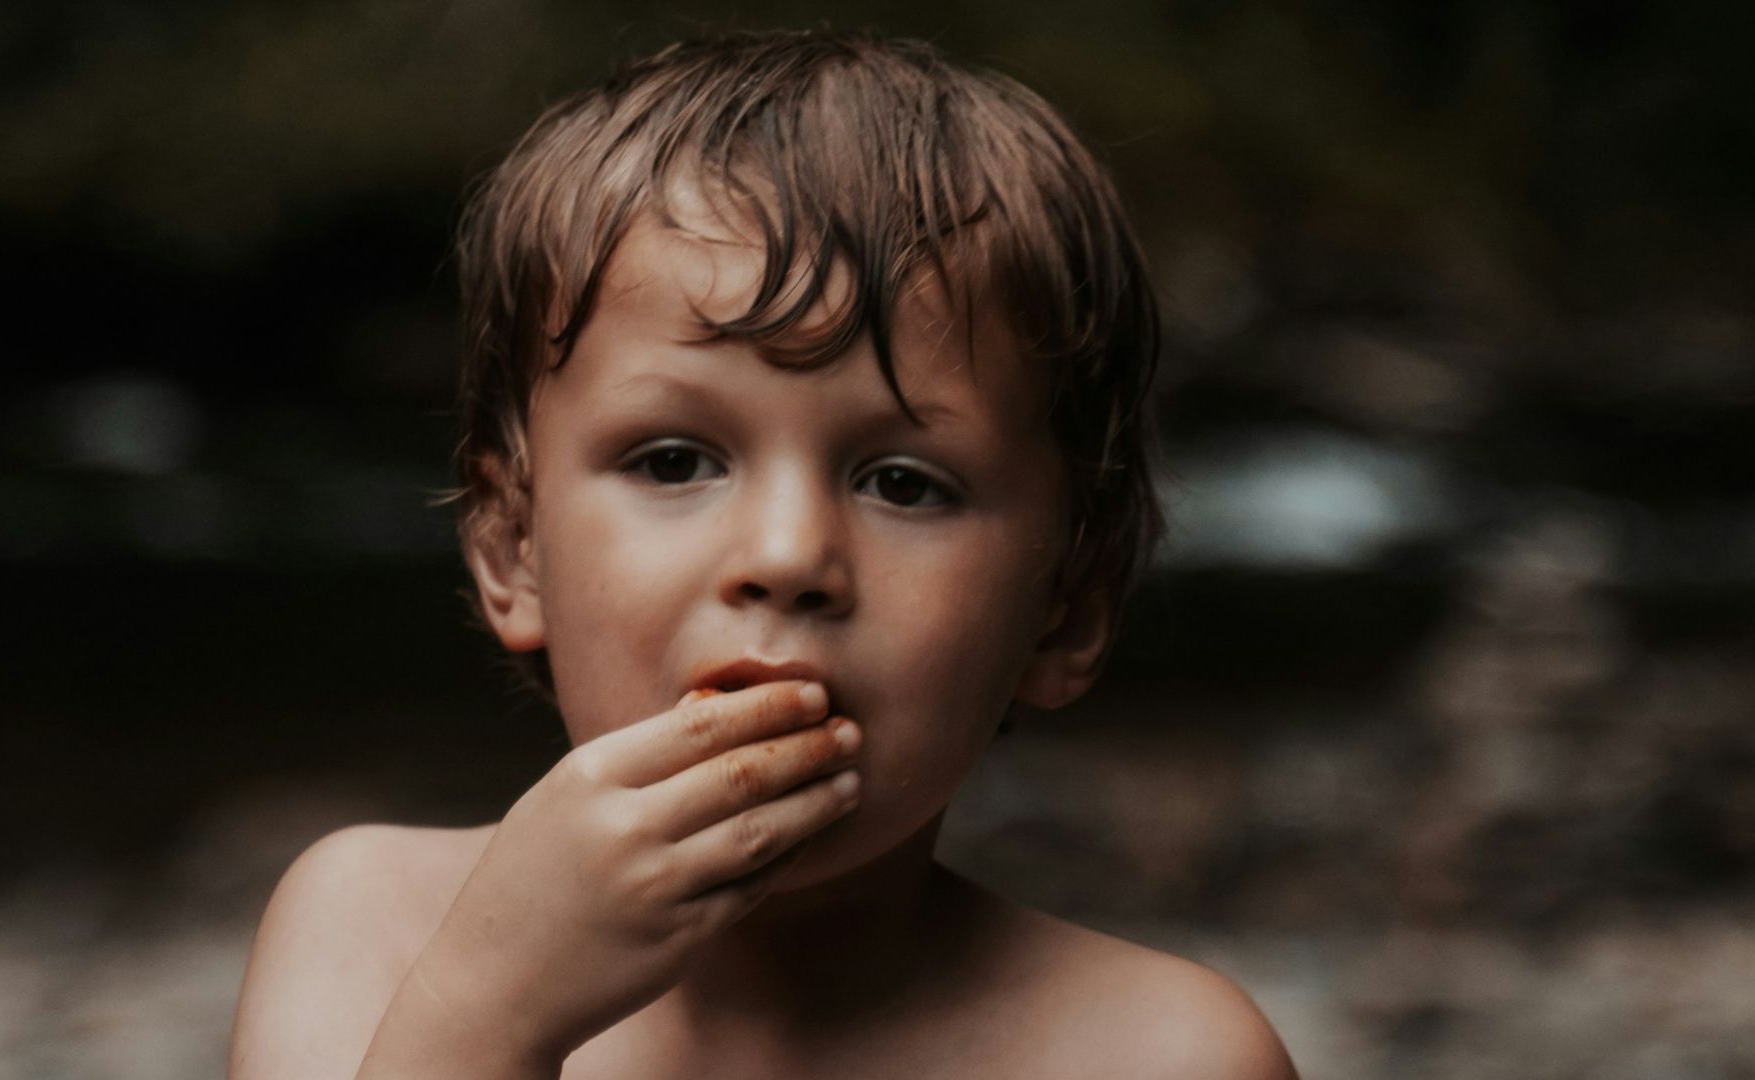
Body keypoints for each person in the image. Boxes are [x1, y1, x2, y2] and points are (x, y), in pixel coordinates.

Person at [228, 29, 1298, 1080]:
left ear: (1068, 604)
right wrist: (487, 1019)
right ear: (513, 548)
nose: (787, 556)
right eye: (675, 461)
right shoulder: (370, 934)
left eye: (902, 483)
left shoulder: (1163, 1053)